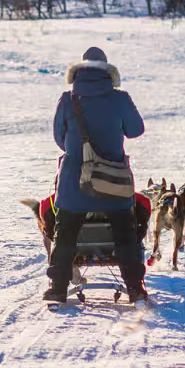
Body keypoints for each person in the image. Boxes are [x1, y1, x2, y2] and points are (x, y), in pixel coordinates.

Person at [46, 47, 149, 304]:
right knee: (125, 233)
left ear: (80, 70)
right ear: (107, 71)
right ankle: (135, 288)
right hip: (113, 181)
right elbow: (136, 130)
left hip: (74, 182)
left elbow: (59, 139)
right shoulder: (120, 98)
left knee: (65, 233)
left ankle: (57, 289)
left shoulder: (67, 99)